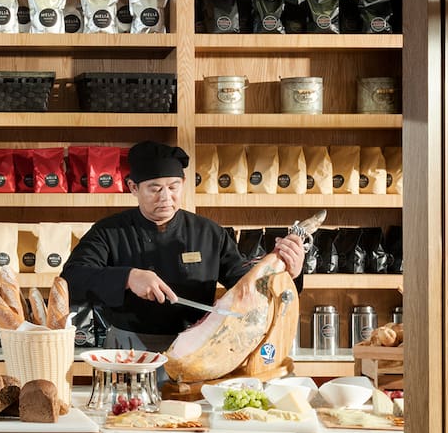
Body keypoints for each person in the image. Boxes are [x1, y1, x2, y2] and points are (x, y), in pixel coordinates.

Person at [61, 141, 305, 358]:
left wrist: (288, 274)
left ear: (184, 183)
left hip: (197, 347)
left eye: (173, 186)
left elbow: (245, 286)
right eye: (155, 188)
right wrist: (128, 277)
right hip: (127, 350)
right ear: (133, 188)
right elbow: (71, 280)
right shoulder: (109, 231)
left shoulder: (209, 233)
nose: (166, 197)